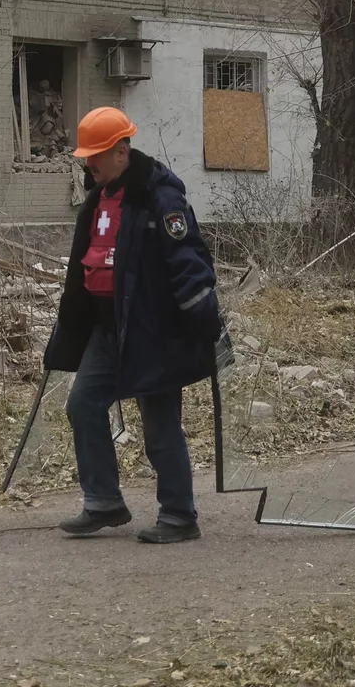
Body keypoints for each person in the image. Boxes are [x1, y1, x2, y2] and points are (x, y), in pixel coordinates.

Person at [42, 106, 224, 544]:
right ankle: (104, 502)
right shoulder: (97, 200)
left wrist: (204, 319)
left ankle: (179, 516)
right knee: (83, 405)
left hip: (153, 332)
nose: (89, 164)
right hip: (108, 331)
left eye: (95, 155)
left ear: (120, 152)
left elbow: (188, 260)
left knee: (160, 426)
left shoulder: (160, 198)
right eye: (87, 156)